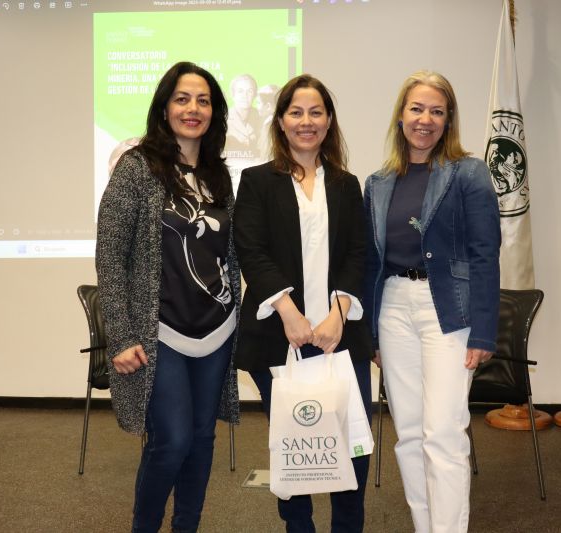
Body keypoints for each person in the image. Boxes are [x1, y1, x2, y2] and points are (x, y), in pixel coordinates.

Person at [95, 61, 240, 533]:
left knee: (201, 440)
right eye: (182, 99)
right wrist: (120, 336)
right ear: (164, 108)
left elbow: (227, 252)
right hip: (161, 333)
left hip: (216, 330)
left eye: (203, 101)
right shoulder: (137, 168)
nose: (193, 109)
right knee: (172, 441)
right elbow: (110, 257)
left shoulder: (219, 175)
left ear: (214, 112)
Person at [363, 71, 501, 533]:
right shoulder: (378, 182)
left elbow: (485, 253)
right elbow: (372, 262)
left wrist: (484, 331)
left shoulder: (468, 172)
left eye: (437, 111)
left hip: (448, 310)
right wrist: (370, 333)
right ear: (401, 115)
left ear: (448, 120)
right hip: (393, 309)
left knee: (442, 432)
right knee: (408, 434)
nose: (425, 119)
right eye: (417, 109)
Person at [234, 74, 372, 533]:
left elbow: (358, 253)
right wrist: (289, 313)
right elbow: (251, 250)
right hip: (280, 337)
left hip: (339, 337)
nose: (306, 121)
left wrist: (338, 314)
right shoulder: (256, 181)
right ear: (280, 121)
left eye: (316, 112)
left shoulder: (347, 184)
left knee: (352, 450)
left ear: (329, 121)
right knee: (294, 448)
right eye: (296, 112)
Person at [225, 73, 262, 158]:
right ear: (233, 95)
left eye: (250, 91)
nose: (245, 96)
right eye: (240, 91)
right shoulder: (223, 118)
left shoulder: (261, 117)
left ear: (254, 95)